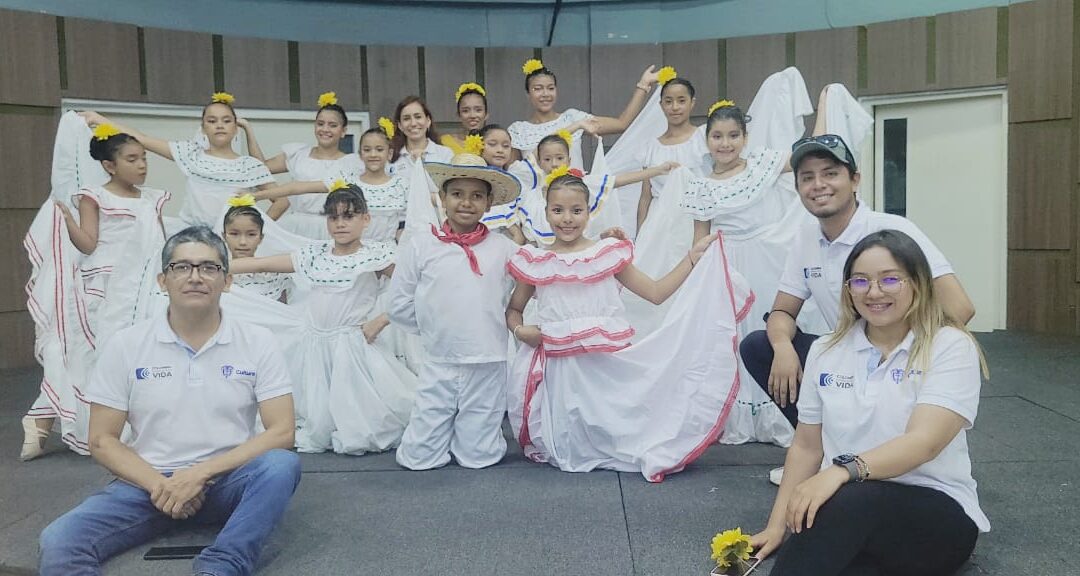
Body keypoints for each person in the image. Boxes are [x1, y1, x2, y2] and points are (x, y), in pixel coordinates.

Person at [38, 226, 301, 576]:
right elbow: (102, 440)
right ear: (162, 281)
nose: (195, 277)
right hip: (147, 485)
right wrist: (163, 486)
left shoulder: (258, 341)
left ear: (227, 281)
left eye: (209, 267)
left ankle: (223, 564)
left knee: (280, 465)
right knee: (59, 540)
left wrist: (199, 474)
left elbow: (282, 432)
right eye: (182, 267)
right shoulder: (127, 345)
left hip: (227, 479)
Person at [739, 133, 975, 485]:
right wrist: (784, 347)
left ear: (855, 179)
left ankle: (885, 457)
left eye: (830, 173)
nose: (819, 185)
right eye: (807, 177)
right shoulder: (806, 237)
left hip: (896, 354)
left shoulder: (892, 230)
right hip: (846, 352)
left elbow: (960, 308)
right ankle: (819, 453)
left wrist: (901, 351)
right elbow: (782, 312)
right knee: (760, 346)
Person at [750, 229, 990, 575]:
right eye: (860, 282)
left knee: (846, 501)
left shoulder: (949, 345)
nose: (874, 292)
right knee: (833, 526)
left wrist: (841, 471)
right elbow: (806, 446)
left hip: (935, 516)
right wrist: (776, 527)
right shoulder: (826, 350)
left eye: (890, 279)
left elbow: (924, 443)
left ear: (918, 284)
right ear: (847, 291)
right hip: (851, 509)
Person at [504, 173, 752, 482]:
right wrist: (519, 331)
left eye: (576, 211)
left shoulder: (607, 253)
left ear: (588, 210)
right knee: (572, 445)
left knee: (622, 427)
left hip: (605, 367)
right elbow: (514, 309)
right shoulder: (536, 260)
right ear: (546, 210)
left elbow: (656, 292)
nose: (567, 219)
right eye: (558, 210)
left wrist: (691, 259)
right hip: (560, 371)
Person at [22, 114, 169, 460]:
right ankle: (42, 419)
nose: (142, 165)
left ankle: (137, 426)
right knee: (92, 358)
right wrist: (70, 223)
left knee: (142, 353)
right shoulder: (93, 196)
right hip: (104, 285)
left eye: (143, 158)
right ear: (109, 165)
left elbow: (161, 243)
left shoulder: (152, 199)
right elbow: (88, 244)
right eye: (132, 159)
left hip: (144, 284)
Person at [230, 185, 417, 454]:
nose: (340, 224)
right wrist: (214, 265)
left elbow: (413, 289)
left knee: (363, 412)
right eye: (333, 217)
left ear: (366, 219)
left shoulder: (374, 255)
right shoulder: (315, 254)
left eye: (348, 216)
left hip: (352, 344)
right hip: (315, 343)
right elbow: (261, 264)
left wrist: (383, 318)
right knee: (317, 407)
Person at [388, 153, 522, 470]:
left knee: (480, 455)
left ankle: (474, 442)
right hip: (438, 356)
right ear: (443, 198)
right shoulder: (421, 245)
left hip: (487, 357)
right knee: (419, 456)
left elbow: (539, 275)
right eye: (458, 194)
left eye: (477, 195)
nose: (466, 203)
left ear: (489, 203)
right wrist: (435, 327)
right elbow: (398, 303)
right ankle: (432, 443)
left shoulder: (504, 248)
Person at [81, 93, 274, 231]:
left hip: (232, 241)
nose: (220, 125)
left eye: (226, 120)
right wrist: (99, 119)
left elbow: (281, 200)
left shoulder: (248, 165)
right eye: (212, 121)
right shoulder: (191, 154)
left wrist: (252, 231)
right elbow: (143, 138)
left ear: (235, 127)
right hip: (193, 236)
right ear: (203, 127)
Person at [508, 58, 661, 170]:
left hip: (575, 198)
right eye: (538, 89)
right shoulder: (518, 130)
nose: (545, 94)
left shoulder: (572, 117)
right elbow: (514, 174)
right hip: (536, 205)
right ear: (528, 94)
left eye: (550, 88)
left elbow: (622, 124)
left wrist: (643, 85)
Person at [254, 91, 363, 239]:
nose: (325, 129)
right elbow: (258, 168)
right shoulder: (298, 154)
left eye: (332, 125)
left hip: (332, 226)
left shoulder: (353, 163)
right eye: (320, 124)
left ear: (343, 131)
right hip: (296, 225)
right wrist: (248, 130)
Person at [222, 198, 291, 300]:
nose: (242, 242)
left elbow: (283, 311)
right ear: (224, 236)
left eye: (251, 234)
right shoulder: (216, 275)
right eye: (234, 234)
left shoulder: (275, 277)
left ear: (260, 238)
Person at [388, 96, 454, 176]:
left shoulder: (444, 154)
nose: (413, 123)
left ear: (428, 121)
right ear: (400, 125)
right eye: (406, 119)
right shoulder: (392, 156)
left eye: (418, 117)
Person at [441, 82, 490, 153]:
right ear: (458, 115)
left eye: (478, 110)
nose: (472, 116)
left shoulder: (493, 144)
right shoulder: (445, 142)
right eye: (465, 111)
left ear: (486, 114)